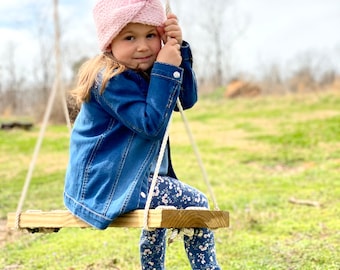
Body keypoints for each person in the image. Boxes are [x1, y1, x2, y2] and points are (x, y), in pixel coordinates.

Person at [64, 0, 221, 269]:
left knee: (162, 213)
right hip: (108, 182)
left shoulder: (145, 71)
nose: (143, 46)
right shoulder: (110, 80)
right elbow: (151, 124)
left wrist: (176, 51)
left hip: (132, 177)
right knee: (197, 204)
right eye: (129, 37)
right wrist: (166, 69)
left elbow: (185, 99)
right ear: (109, 42)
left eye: (150, 35)